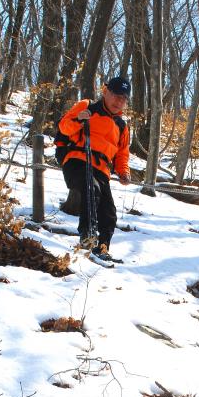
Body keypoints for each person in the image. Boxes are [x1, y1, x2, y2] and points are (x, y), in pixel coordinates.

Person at [56, 76, 131, 260]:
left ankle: (102, 249)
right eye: (115, 95)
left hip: (102, 171)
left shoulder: (122, 126)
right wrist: (79, 120)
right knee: (92, 188)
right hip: (77, 161)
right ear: (105, 91)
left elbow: (122, 154)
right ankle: (88, 239)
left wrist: (123, 172)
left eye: (123, 98)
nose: (118, 101)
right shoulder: (87, 106)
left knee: (110, 213)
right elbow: (64, 128)